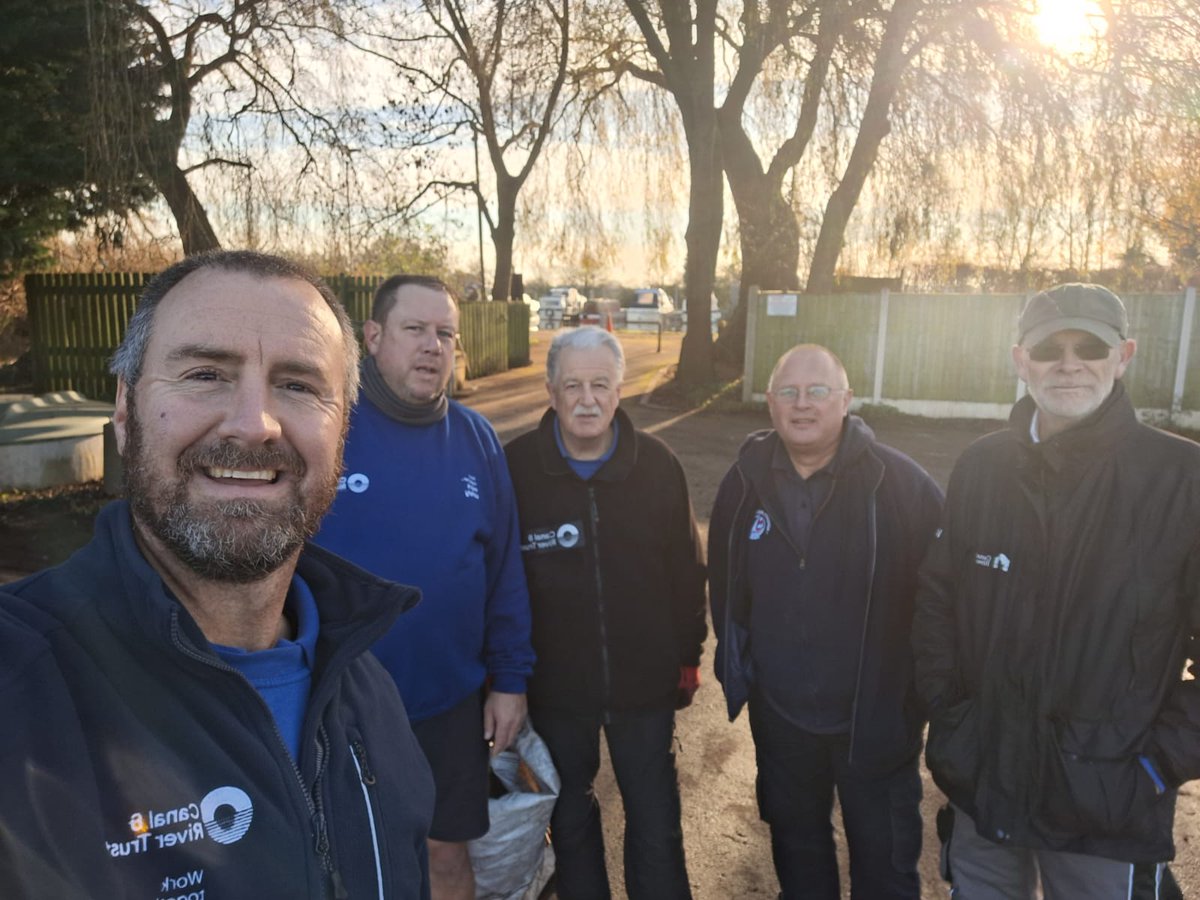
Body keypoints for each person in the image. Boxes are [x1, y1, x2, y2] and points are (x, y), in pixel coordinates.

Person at [0, 251, 434, 898]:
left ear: (342, 427)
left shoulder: (369, 698)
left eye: (298, 385)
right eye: (204, 373)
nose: (254, 424)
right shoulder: (20, 694)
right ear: (126, 408)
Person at [912, 283, 1200, 898]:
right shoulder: (981, 467)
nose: (1068, 363)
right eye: (1049, 348)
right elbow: (937, 604)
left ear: (1123, 355)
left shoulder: (1182, 481)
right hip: (984, 785)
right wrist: (953, 720)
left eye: (1089, 346)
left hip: (1107, 808)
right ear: (1021, 360)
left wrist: (1155, 765)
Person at [314, 274, 534, 900]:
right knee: (347, 859)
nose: (432, 346)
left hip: (448, 703)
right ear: (374, 336)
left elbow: (504, 573)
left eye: (445, 334)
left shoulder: (476, 439)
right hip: (339, 707)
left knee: (445, 854)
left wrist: (510, 680)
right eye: (415, 330)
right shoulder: (328, 432)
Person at [708, 343, 943, 900]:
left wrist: (919, 697)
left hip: (877, 725)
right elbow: (726, 587)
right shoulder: (742, 486)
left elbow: (942, 602)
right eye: (789, 392)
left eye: (818, 392)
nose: (803, 405)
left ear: (847, 401)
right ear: (770, 403)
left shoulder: (903, 487)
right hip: (783, 721)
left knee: (885, 874)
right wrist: (742, 672)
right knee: (800, 863)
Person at [504, 326, 706, 900]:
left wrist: (689, 655)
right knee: (569, 818)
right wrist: (506, 674)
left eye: (600, 385)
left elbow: (687, 570)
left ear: (620, 392)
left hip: (645, 684)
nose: (587, 399)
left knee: (655, 819)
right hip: (555, 685)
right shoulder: (517, 470)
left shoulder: (659, 466)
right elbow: (497, 581)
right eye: (573, 385)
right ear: (550, 391)